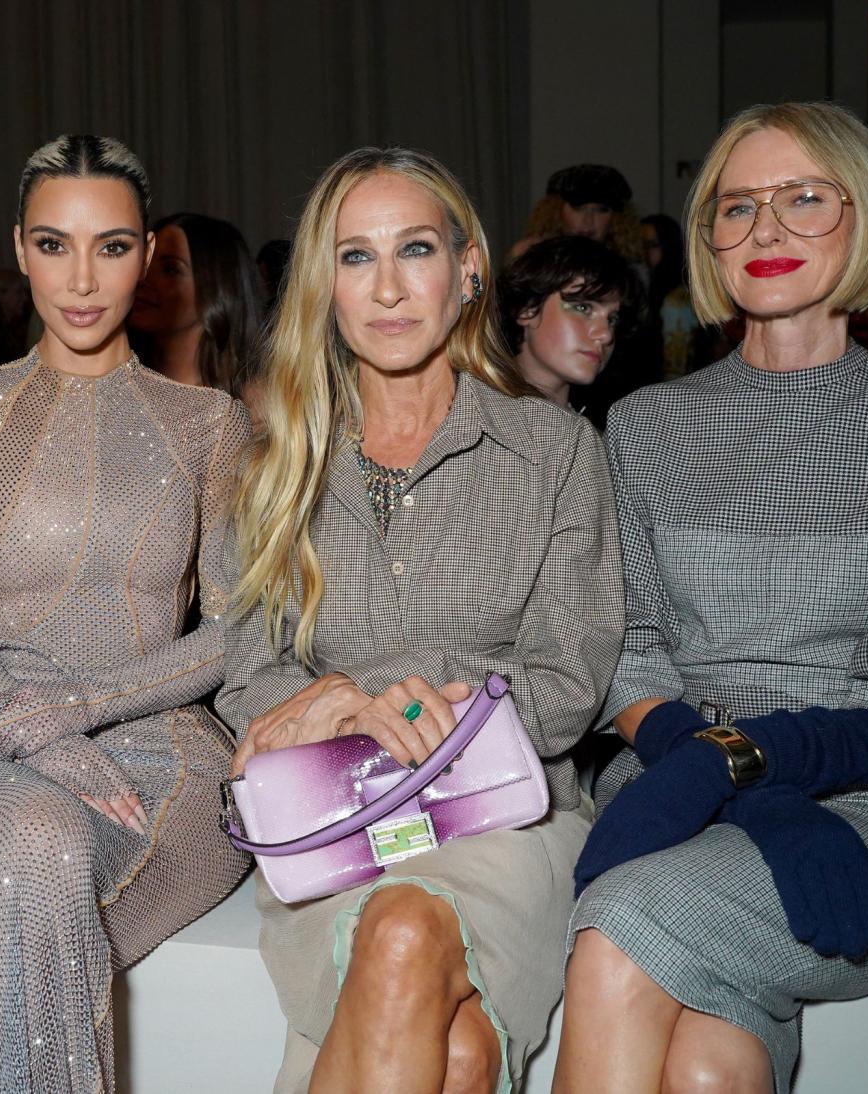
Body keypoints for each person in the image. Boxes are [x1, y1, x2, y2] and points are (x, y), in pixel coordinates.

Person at [557, 101, 868, 1093]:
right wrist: (714, 762)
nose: (765, 226)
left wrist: (757, 761)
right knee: (705, 1069)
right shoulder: (645, 424)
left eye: (804, 198)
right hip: (672, 787)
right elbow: (629, 648)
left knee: (622, 926)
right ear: (710, 241)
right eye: (736, 207)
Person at [217, 147, 624, 1094]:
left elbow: (570, 682)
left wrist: (414, 713)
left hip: (508, 819)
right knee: (461, 1055)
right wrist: (335, 701)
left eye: (415, 250)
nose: (389, 288)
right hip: (336, 822)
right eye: (356, 257)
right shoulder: (274, 466)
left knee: (402, 932)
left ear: (468, 268)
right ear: (324, 287)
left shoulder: (555, 452)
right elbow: (247, 674)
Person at [0, 134, 250, 1093]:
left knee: (21, 903)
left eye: (113, 246)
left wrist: (83, 708)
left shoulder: (209, 425)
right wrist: (34, 725)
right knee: (38, 843)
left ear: (149, 255)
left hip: (164, 756)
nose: (83, 278)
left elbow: (233, 632)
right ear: (20, 248)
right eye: (55, 245)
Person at [497, 235, 642, 411]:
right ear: (526, 309)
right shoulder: (476, 411)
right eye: (583, 308)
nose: (606, 334)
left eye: (612, 319)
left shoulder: (613, 420)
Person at [129, 211, 263, 392]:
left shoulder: (253, 401)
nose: (141, 278)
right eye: (144, 263)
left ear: (217, 287)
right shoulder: (118, 386)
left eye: (170, 269)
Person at [509, 164, 644, 265]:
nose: (588, 220)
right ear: (554, 211)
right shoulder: (532, 255)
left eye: (601, 210)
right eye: (578, 208)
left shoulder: (625, 266)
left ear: (617, 218)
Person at [641, 213, 700, 378]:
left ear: (669, 246)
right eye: (640, 245)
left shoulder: (676, 300)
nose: (643, 252)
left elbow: (676, 368)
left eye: (651, 245)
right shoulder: (647, 286)